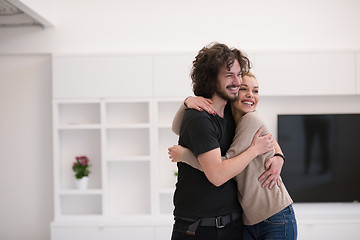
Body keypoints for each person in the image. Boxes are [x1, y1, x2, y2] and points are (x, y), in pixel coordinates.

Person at [169, 72, 298, 240]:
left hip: (274, 217)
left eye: (256, 91)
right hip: (250, 221)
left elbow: (221, 168)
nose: (251, 94)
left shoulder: (250, 120)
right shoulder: (229, 121)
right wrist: (187, 102)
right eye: (244, 89)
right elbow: (177, 128)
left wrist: (185, 155)